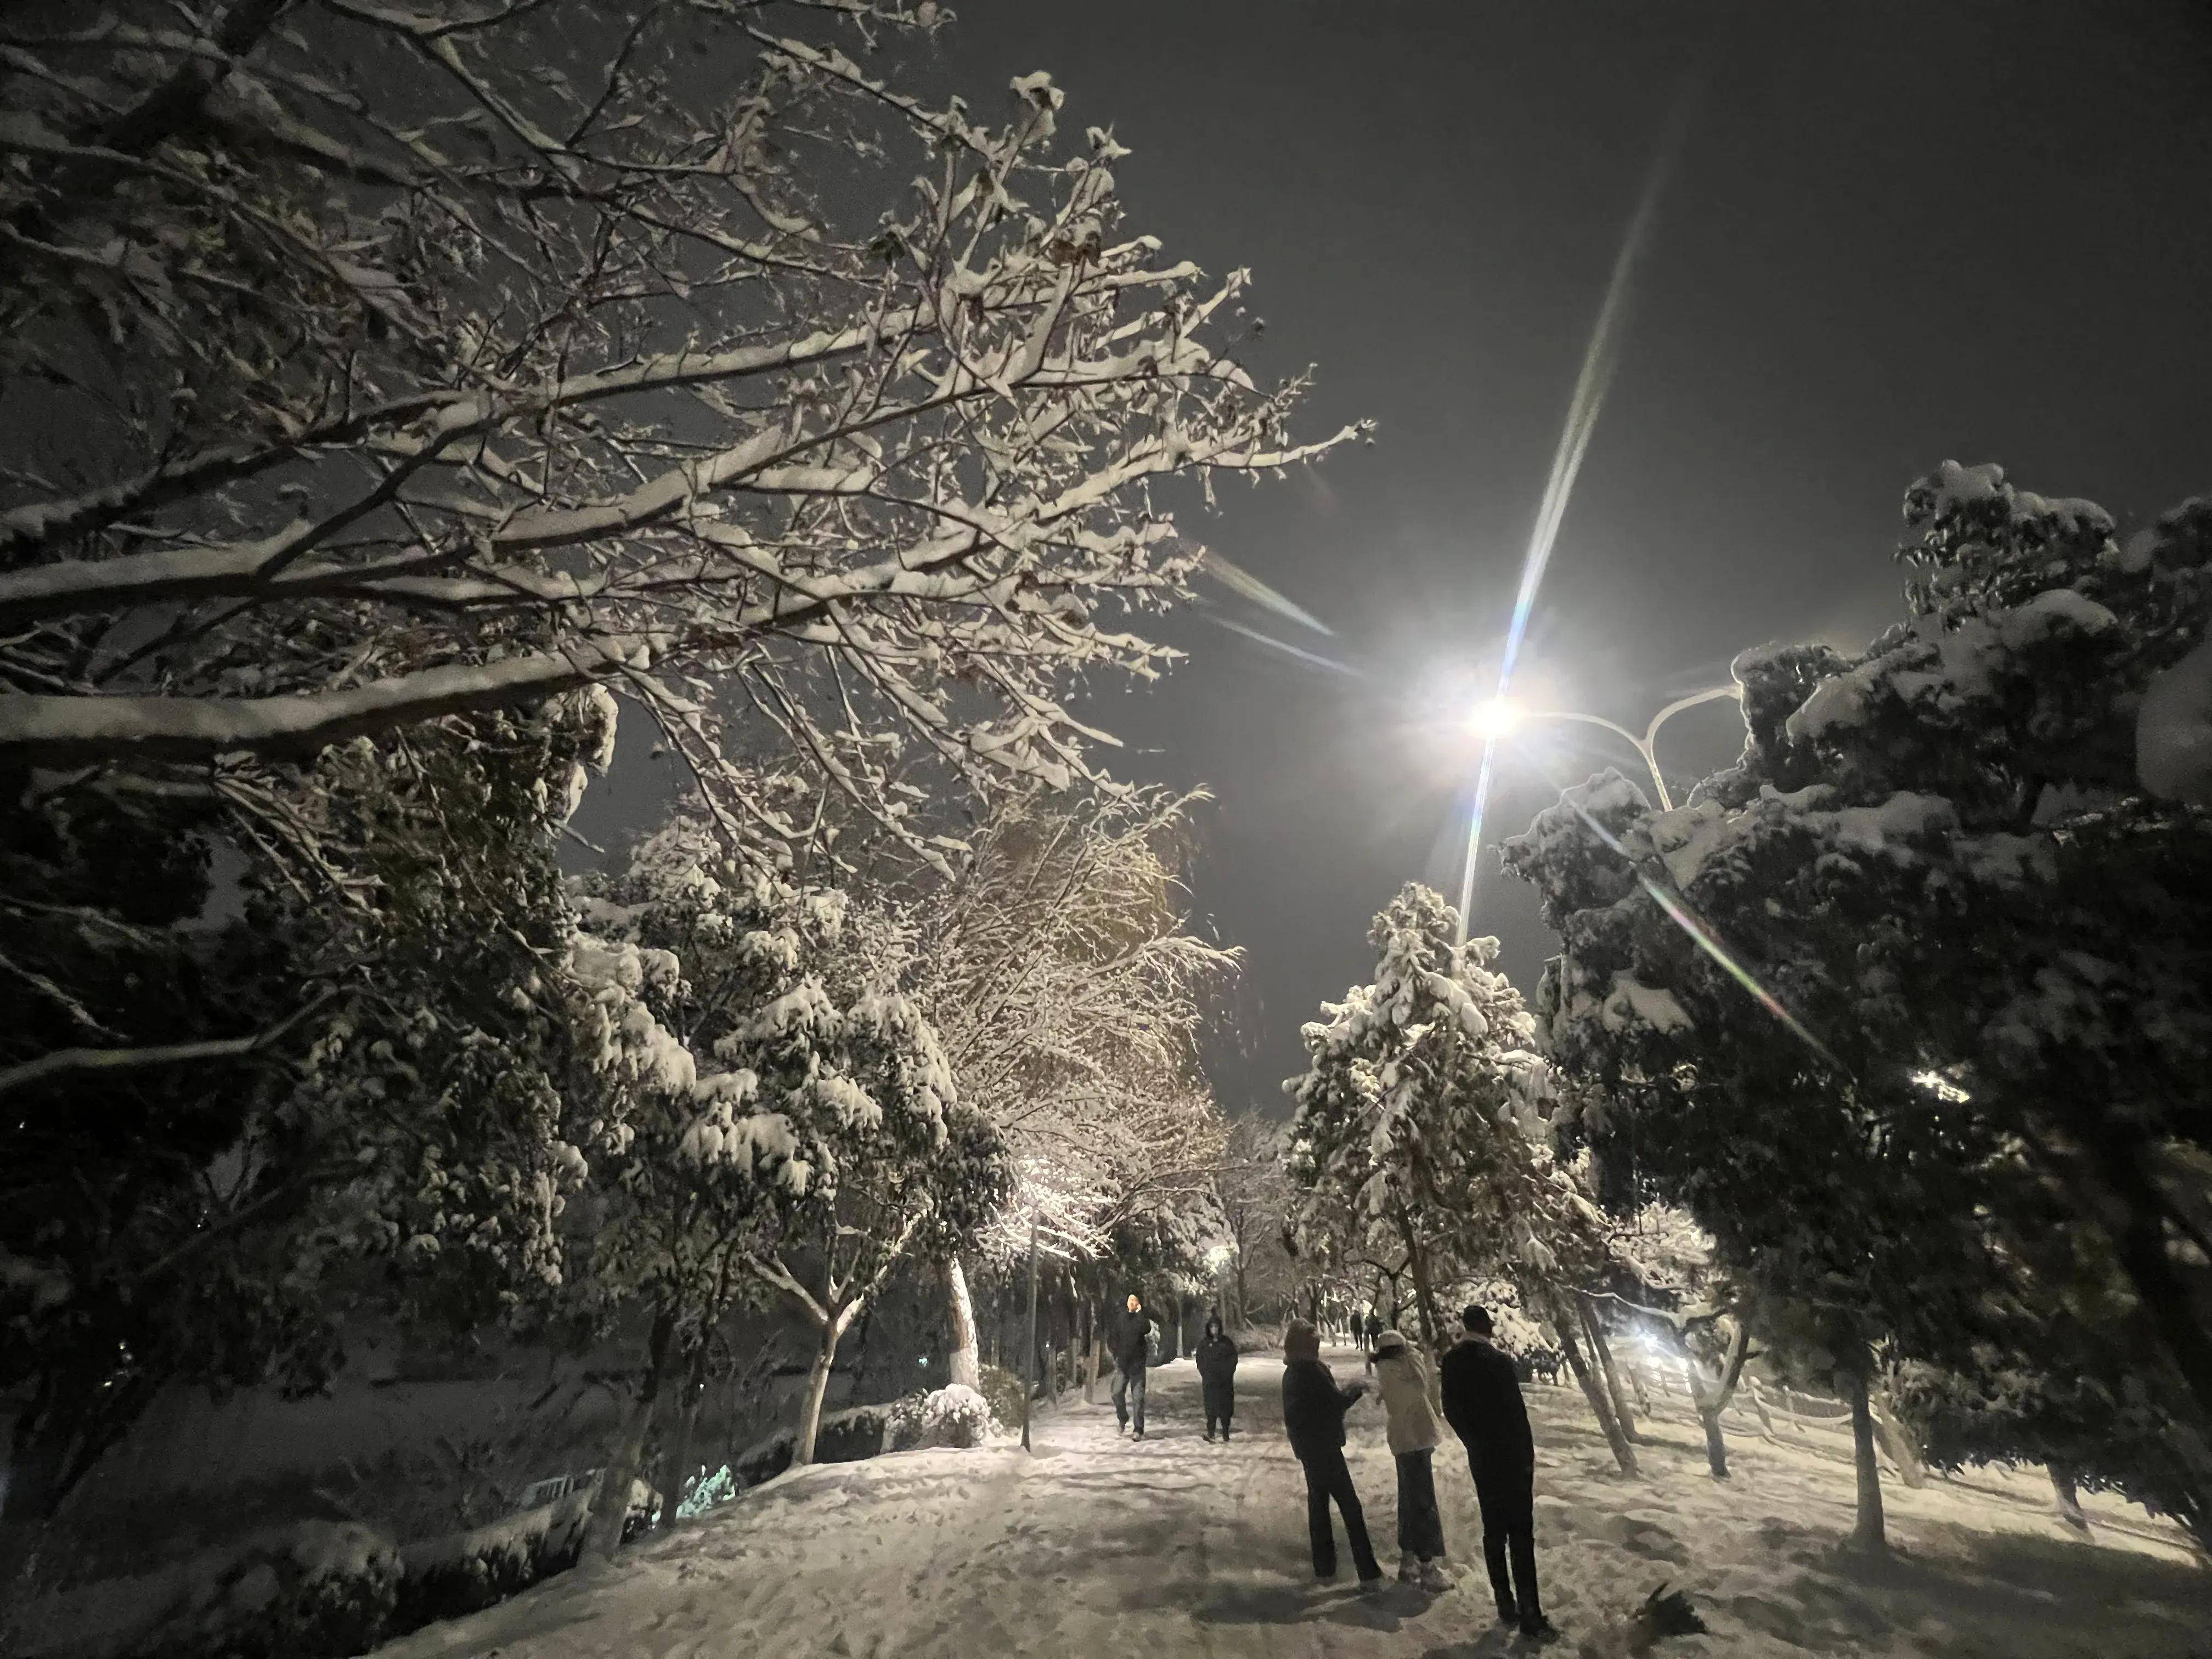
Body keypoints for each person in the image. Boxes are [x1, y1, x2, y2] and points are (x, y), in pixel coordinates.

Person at [1440, 1304, 1552, 1639]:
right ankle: (1531, 1613)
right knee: (1520, 1534)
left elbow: (1451, 1409)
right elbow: (1516, 1416)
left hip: (1483, 1458)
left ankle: (1505, 1602)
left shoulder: (1452, 1362)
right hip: (1513, 1458)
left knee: (1493, 1530)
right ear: (1488, 1329)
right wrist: (1526, 1456)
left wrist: (1474, 1442)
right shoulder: (1500, 1363)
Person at [1280, 1318, 1383, 1589]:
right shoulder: (1311, 1371)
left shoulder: (1292, 1372)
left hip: (1308, 1448)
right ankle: (1368, 1571)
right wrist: (1356, 1389)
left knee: (1319, 1506)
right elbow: (1335, 1403)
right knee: (1350, 1507)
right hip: (1324, 1447)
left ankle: (1324, 1567)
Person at [1372, 1328, 1451, 1590]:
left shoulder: (1390, 1371)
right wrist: (1416, 1356)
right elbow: (1421, 1385)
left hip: (1408, 1442)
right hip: (1414, 1441)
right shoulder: (1397, 1373)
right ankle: (1427, 1565)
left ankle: (1409, 1559)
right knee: (1423, 1502)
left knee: (1410, 1500)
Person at [1106, 1291, 1153, 1440]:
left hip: (1137, 1365)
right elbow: (1113, 1337)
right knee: (1116, 1392)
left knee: (1138, 1398)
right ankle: (1123, 1417)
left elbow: (1146, 1329)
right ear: (1127, 1302)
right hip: (1123, 1364)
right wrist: (1116, 1354)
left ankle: (1138, 1429)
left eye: (1135, 1301)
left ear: (1138, 1303)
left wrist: (1140, 1313)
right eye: (1130, 1300)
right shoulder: (1121, 1318)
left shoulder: (1142, 1318)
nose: (1132, 1303)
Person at [1196, 1313, 1240, 1441]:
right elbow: (1200, 1360)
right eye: (1212, 1327)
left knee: (1225, 1407)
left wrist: (1229, 1372)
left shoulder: (1227, 1343)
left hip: (1225, 1382)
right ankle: (1211, 1432)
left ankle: (1226, 1432)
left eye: (1216, 1327)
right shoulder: (1204, 1344)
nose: (1214, 1330)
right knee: (1211, 1407)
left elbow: (1233, 1358)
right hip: (1210, 1381)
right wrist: (1205, 1373)